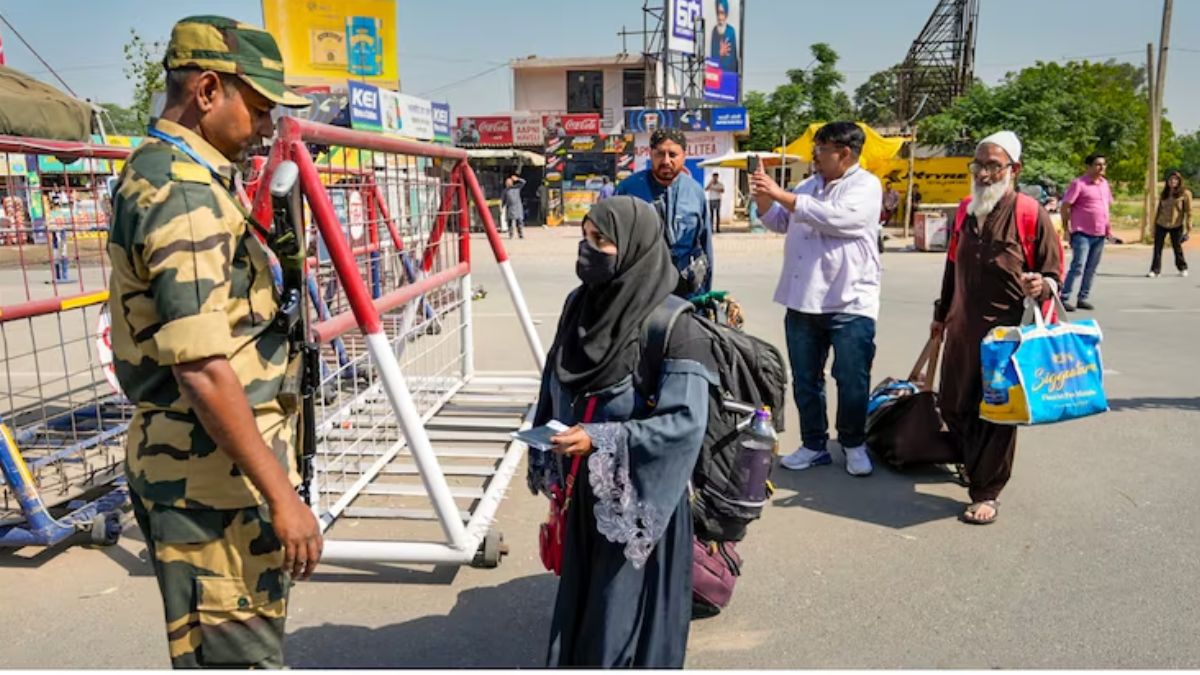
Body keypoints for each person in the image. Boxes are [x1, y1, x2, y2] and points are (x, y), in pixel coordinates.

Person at [106, 16, 319, 668]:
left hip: (212, 474)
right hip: (212, 488)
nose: (265, 125)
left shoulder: (174, 170)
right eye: (257, 107)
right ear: (206, 91)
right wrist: (283, 497)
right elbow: (201, 366)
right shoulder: (182, 192)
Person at [529, 196, 717, 667]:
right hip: (584, 493)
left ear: (634, 247)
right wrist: (547, 437)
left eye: (602, 241)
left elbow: (684, 424)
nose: (587, 251)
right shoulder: (580, 306)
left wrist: (603, 439)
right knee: (585, 604)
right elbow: (557, 374)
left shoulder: (675, 326)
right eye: (584, 237)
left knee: (620, 615)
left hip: (640, 503)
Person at [931, 131, 1063, 525]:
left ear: (1013, 170)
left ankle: (987, 490)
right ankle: (974, 464)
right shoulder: (964, 212)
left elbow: (1053, 271)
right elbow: (952, 267)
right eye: (979, 165)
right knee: (954, 404)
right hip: (960, 328)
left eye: (994, 166)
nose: (985, 174)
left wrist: (1043, 284)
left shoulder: (1029, 213)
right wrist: (940, 316)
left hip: (1006, 337)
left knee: (997, 413)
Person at [750, 121, 882, 476]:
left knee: (852, 377)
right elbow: (779, 221)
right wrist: (764, 194)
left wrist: (781, 195)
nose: (815, 157)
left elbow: (837, 218)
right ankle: (813, 444)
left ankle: (853, 444)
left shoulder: (866, 186)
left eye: (821, 150)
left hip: (850, 301)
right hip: (803, 298)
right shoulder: (808, 186)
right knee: (806, 378)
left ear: (845, 153)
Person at [615, 127, 713, 295]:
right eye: (660, 154)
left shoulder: (695, 192)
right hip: (640, 290)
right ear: (651, 154)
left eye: (673, 155)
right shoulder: (628, 189)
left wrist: (704, 295)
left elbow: (705, 245)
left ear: (684, 155)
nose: (666, 161)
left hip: (685, 289)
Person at [1060, 153, 1113, 311]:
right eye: (1098, 164)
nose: (1102, 167)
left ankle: (1083, 297)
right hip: (1082, 233)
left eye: (1104, 164)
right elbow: (1065, 206)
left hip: (1100, 233)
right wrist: (1066, 228)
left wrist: (1108, 229)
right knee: (1078, 266)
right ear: (1088, 167)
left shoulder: (1104, 184)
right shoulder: (1079, 184)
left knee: (1092, 267)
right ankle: (1064, 297)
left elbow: (1105, 208)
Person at [1147, 170, 1191, 278]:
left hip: (1176, 224)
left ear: (1179, 181)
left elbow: (1188, 212)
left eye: (1175, 179)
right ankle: (1155, 270)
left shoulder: (1185, 193)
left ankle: (1182, 267)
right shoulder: (1164, 193)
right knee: (1157, 248)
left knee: (1177, 247)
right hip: (1161, 223)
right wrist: (1153, 227)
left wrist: (1188, 229)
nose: (1172, 181)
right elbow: (1159, 210)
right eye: (1170, 179)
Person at [709, 0, 739, 73]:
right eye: (718, 13)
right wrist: (720, 53)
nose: (719, 17)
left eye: (722, 13)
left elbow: (733, 58)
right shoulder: (714, 31)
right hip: (716, 76)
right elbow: (713, 58)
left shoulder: (731, 31)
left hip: (729, 75)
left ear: (726, 13)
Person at [503, 173, 526, 239]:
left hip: (518, 207)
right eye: (506, 182)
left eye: (509, 182)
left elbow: (524, 182)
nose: (507, 183)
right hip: (510, 207)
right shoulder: (505, 191)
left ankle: (520, 234)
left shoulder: (517, 188)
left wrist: (517, 179)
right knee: (510, 222)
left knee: (519, 221)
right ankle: (511, 234)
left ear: (512, 182)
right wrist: (502, 207)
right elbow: (503, 200)